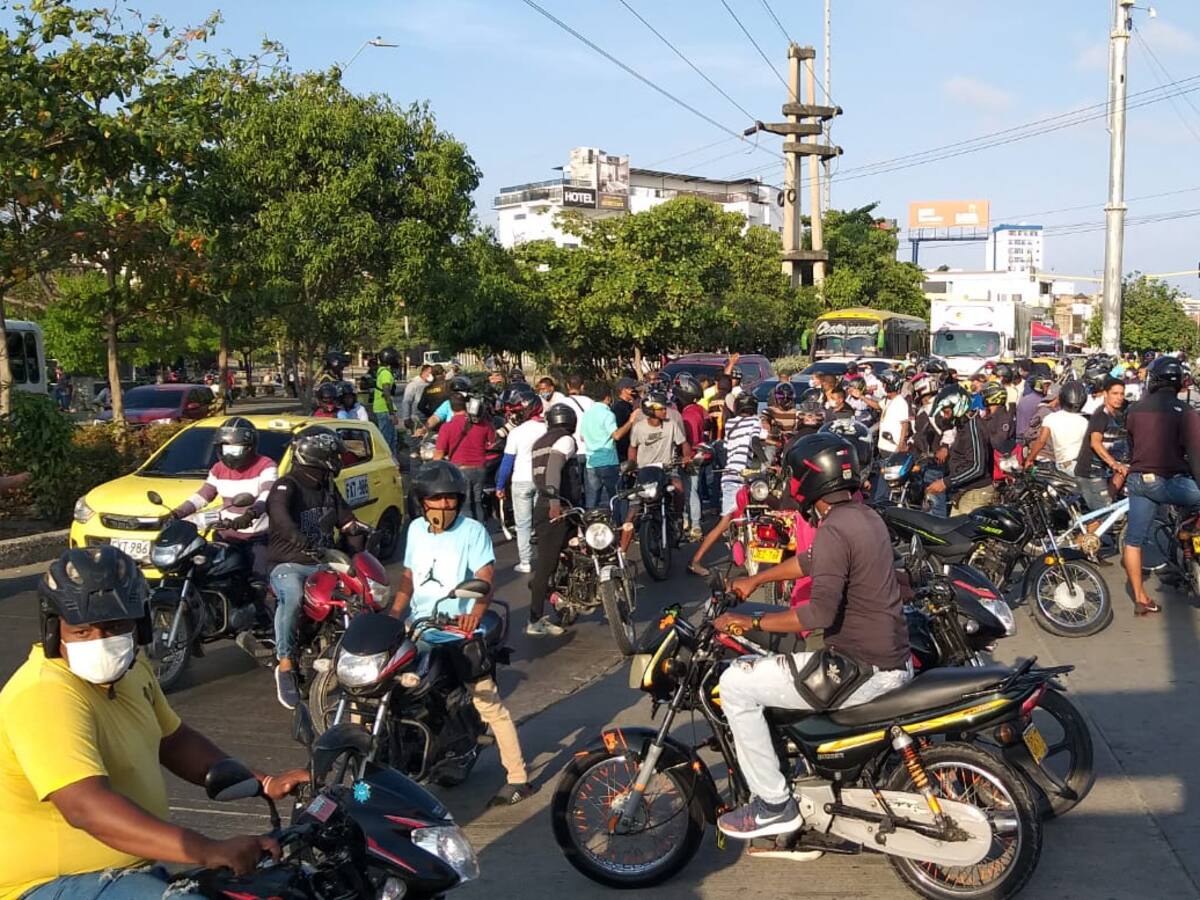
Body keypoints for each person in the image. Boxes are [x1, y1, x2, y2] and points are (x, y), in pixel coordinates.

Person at [0, 547, 309, 900]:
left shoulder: (133, 671)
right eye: (82, 632)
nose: (100, 642)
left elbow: (174, 741)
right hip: (50, 884)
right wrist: (207, 849)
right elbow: (85, 807)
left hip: (131, 873)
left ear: (141, 625)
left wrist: (264, 782)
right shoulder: (45, 693)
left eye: (115, 627)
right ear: (55, 630)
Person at [711, 433, 910, 839]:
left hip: (858, 667)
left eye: (793, 477)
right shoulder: (863, 516)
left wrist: (749, 623)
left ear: (809, 479)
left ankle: (774, 805)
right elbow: (811, 561)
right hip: (887, 658)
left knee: (735, 684)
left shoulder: (835, 527)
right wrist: (756, 579)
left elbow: (819, 613)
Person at [386, 462, 534, 806]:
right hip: (420, 625)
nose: (444, 505)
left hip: (458, 630)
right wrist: (394, 614)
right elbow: (408, 577)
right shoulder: (415, 530)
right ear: (421, 501)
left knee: (488, 703)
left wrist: (473, 616)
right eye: (436, 499)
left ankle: (518, 778)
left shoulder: (473, 531)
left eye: (451, 499)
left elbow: (485, 577)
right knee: (388, 688)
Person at [265, 426, 366, 708]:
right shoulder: (287, 485)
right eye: (334, 455)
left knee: (361, 595)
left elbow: (347, 521)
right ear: (318, 455)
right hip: (289, 563)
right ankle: (285, 663)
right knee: (293, 595)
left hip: (325, 562)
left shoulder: (328, 487)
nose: (337, 461)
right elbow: (279, 514)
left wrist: (358, 538)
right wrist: (296, 536)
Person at [1122, 356, 1200, 616]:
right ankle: (1186, 533)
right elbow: (1195, 455)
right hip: (1168, 481)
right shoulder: (1186, 412)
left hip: (1138, 480)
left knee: (1133, 541)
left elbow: (1132, 447)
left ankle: (1140, 598)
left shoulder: (1134, 410)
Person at [170, 418, 277, 580]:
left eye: (235, 450)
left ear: (249, 448)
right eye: (225, 448)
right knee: (204, 575)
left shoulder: (266, 465)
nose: (229, 454)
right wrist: (177, 513)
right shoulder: (218, 469)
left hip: (256, 539)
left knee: (259, 581)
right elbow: (203, 495)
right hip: (224, 536)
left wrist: (250, 515)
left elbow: (267, 494)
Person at [528, 404, 581, 637]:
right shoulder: (565, 440)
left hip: (543, 504)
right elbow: (553, 469)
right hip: (557, 507)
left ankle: (562, 597)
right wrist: (554, 502)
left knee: (569, 553)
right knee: (546, 565)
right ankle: (535, 619)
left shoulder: (539, 442)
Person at [621, 390, 691, 552]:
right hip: (644, 472)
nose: (665, 411)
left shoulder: (671, 425)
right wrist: (632, 465)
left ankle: (677, 517)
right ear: (651, 410)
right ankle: (622, 552)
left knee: (679, 487)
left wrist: (687, 457)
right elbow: (632, 447)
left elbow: (683, 443)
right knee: (632, 512)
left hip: (666, 470)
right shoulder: (639, 428)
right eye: (661, 408)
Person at [495, 389, 545, 574]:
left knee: (523, 524)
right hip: (542, 479)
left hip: (521, 481)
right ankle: (546, 558)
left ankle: (525, 562)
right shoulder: (547, 429)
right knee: (542, 522)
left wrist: (500, 486)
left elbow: (507, 463)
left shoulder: (516, 433)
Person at [926, 384, 995, 514]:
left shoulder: (972, 428)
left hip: (976, 494)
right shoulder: (963, 425)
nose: (945, 416)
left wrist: (945, 482)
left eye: (947, 412)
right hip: (964, 492)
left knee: (962, 528)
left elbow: (976, 467)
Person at [434, 392, 496, 522]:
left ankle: (470, 531)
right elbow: (492, 442)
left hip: (460, 470)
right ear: (466, 405)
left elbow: (438, 455)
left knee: (465, 504)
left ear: (451, 408)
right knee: (477, 501)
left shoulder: (447, 427)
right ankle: (480, 528)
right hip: (480, 468)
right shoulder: (483, 423)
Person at [1074, 377, 1129, 514]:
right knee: (1103, 514)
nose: (1119, 397)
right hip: (1091, 473)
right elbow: (1095, 443)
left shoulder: (1115, 415)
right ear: (1105, 394)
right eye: (1115, 393)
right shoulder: (1101, 415)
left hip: (1103, 472)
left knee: (1106, 511)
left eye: (1122, 394)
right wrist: (1114, 464)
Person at [581, 383, 637, 513]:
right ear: (608, 398)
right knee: (617, 498)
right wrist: (631, 421)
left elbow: (582, 437)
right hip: (608, 463)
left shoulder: (587, 414)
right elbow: (616, 435)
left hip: (591, 463)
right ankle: (619, 522)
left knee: (592, 503)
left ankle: (591, 523)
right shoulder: (607, 414)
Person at [1025, 380, 1090, 474]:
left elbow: (1041, 441)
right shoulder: (1087, 420)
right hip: (1085, 465)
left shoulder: (1051, 418)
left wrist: (1029, 459)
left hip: (1064, 465)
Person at [675, 374, 709, 539]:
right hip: (700, 453)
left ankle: (694, 524)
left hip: (691, 455)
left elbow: (689, 439)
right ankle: (689, 521)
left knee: (690, 491)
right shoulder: (699, 410)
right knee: (693, 489)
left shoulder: (687, 415)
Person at [721, 392, 764, 515]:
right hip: (744, 475)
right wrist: (766, 463)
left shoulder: (729, 423)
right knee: (745, 516)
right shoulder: (755, 421)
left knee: (730, 517)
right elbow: (755, 443)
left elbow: (726, 448)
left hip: (728, 475)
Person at [372, 346, 401, 458]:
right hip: (384, 410)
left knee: (392, 440)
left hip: (383, 409)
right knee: (387, 441)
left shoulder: (383, 371)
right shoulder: (385, 374)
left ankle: (392, 461)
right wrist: (392, 413)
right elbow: (387, 394)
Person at [611, 377, 639, 462]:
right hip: (624, 452)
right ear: (623, 390)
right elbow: (618, 431)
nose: (634, 391)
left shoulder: (628, 406)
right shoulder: (619, 407)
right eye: (631, 388)